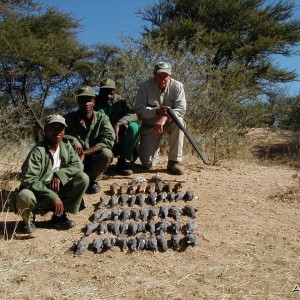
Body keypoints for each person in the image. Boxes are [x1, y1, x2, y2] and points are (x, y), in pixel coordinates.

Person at [14, 114, 89, 234]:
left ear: (64, 131)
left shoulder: (66, 146)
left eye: (61, 128)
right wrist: (52, 196)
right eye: (53, 127)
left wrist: (60, 174)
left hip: (57, 189)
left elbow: (78, 165)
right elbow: (29, 179)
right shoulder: (38, 151)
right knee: (24, 196)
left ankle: (59, 216)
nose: (57, 131)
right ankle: (28, 220)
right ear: (45, 130)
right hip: (38, 193)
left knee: (83, 178)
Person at [135, 61, 186, 175]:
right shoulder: (144, 87)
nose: (163, 79)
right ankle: (139, 147)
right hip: (150, 127)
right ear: (154, 75)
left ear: (170, 76)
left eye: (165, 76)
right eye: (159, 75)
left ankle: (174, 162)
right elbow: (139, 110)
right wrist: (156, 111)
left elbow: (181, 110)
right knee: (147, 165)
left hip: (169, 124)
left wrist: (164, 118)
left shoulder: (178, 86)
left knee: (180, 122)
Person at [64, 86, 115, 193]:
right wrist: (73, 140)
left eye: (89, 100)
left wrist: (86, 153)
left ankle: (91, 180)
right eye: (83, 100)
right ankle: (72, 179)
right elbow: (56, 135)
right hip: (74, 159)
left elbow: (109, 139)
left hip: (93, 159)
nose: (86, 103)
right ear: (78, 101)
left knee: (107, 154)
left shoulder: (103, 118)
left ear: (94, 102)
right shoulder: (68, 118)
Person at [96, 78, 139, 175]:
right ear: (99, 92)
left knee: (134, 127)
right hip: (101, 138)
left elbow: (133, 115)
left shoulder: (120, 101)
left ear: (114, 92)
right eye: (104, 93)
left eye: (111, 93)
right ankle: (100, 162)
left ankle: (123, 161)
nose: (108, 96)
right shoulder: (93, 102)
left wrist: (119, 123)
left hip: (117, 138)